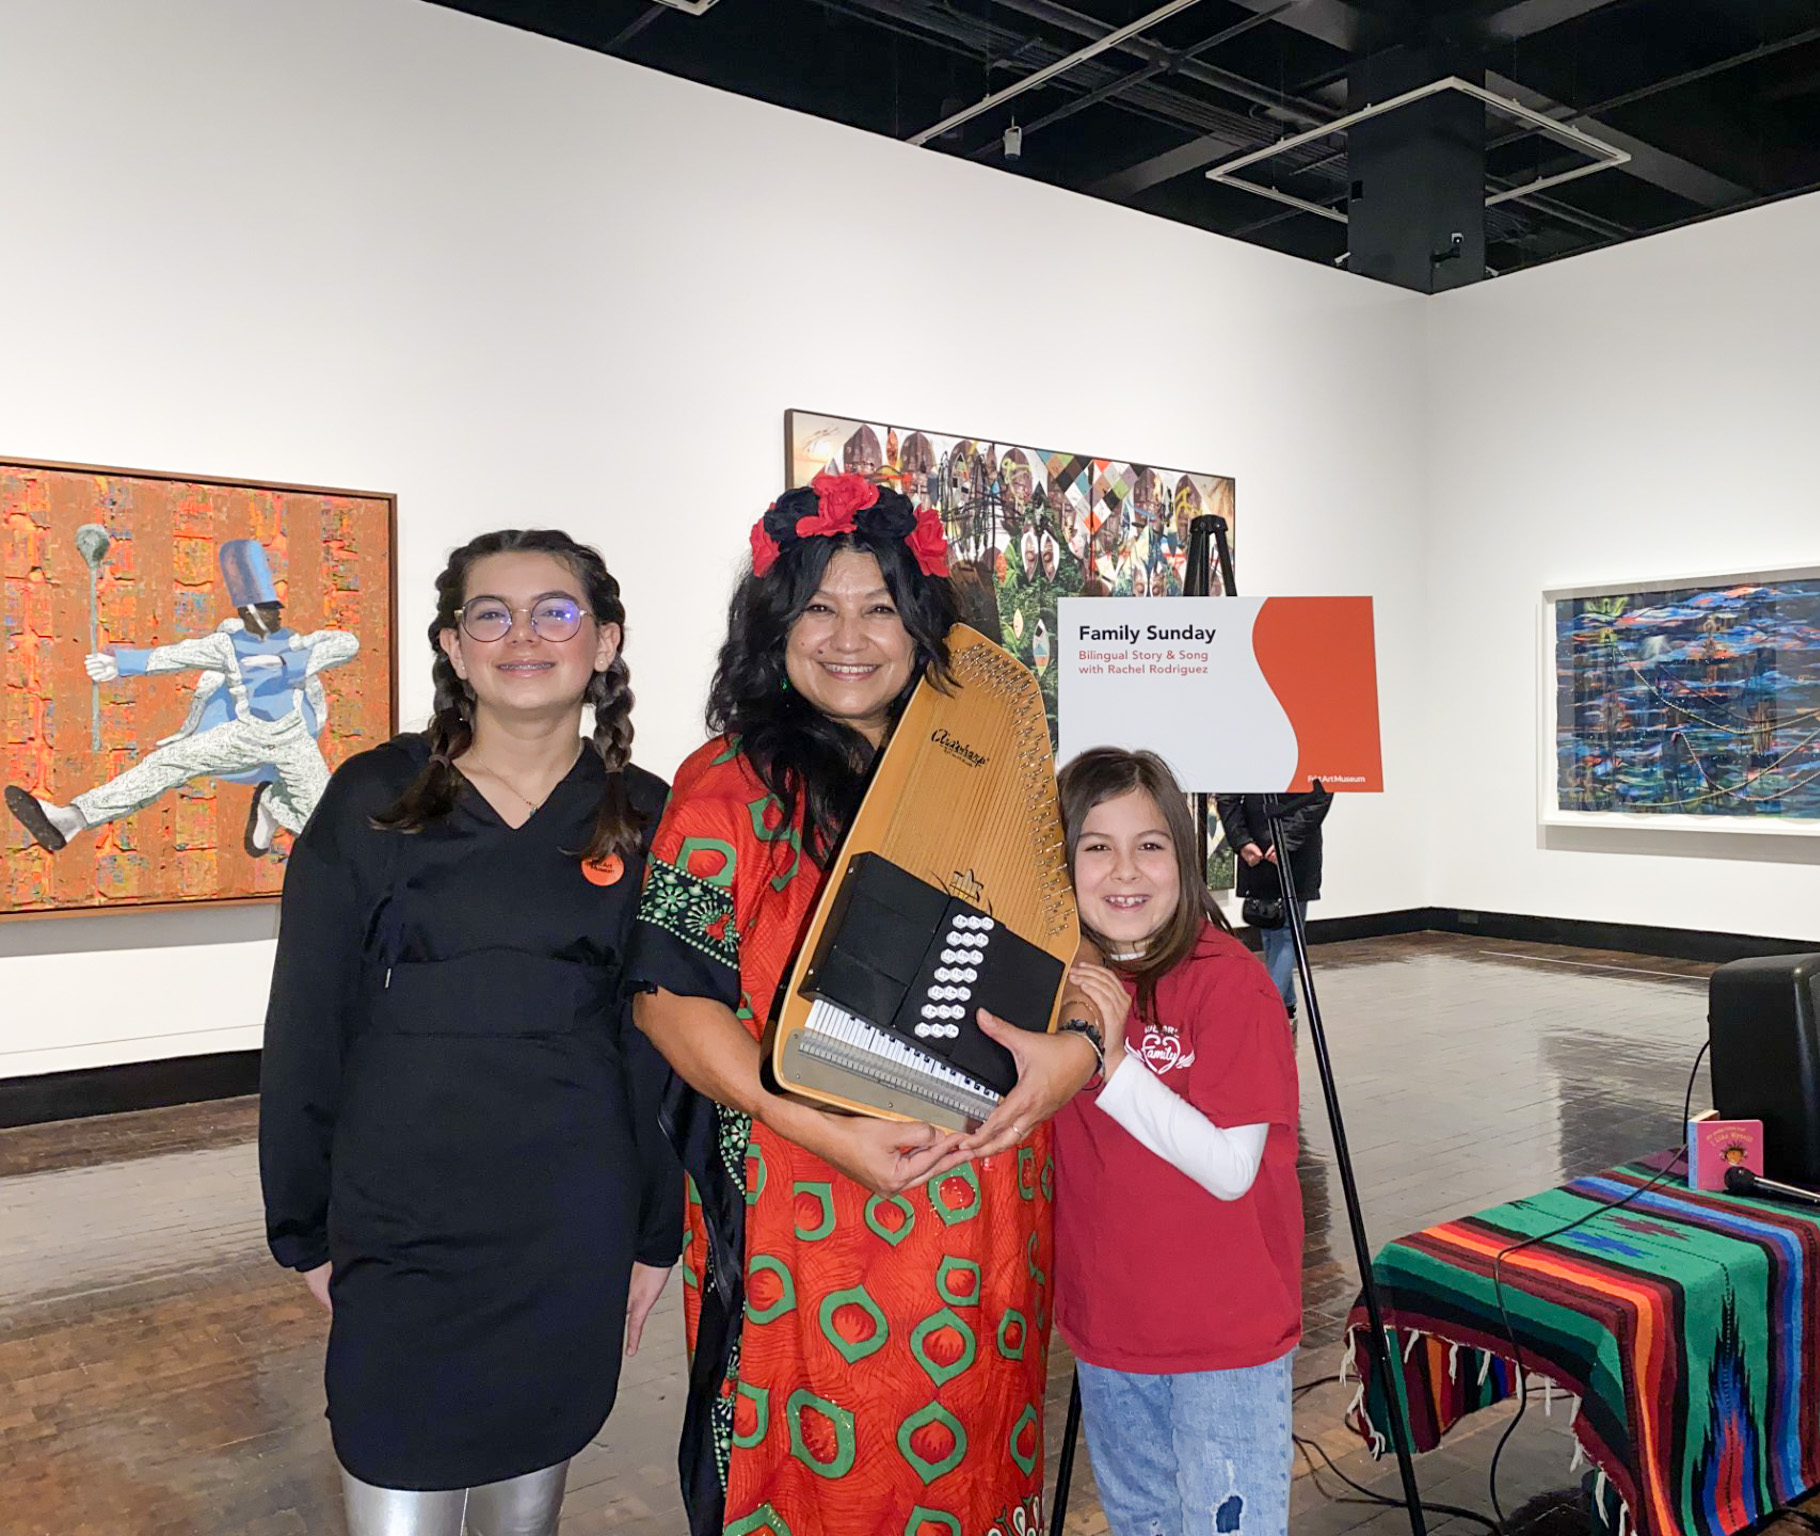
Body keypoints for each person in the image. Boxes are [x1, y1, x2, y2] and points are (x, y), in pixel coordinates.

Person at [628, 471, 1100, 1536]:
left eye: (879, 608)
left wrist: (1077, 1050)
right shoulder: (727, 787)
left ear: (921, 623)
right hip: (807, 1209)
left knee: (976, 1460)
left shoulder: (983, 777)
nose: (850, 637)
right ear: (774, 626)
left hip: (983, 1212)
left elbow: (1076, 957)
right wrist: (819, 1128)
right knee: (811, 1477)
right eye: (818, 609)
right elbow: (667, 999)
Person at [258, 529, 683, 1536]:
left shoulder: (650, 817)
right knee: (391, 1456)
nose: (522, 635)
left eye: (556, 611)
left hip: (570, 1215)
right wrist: (303, 1227)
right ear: (453, 646)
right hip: (403, 1212)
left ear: (606, 641)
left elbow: (662, 1042)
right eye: (490, 613)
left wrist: (655, 1230)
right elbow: (307, 1025)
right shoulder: (374, 799)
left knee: (528, 1488)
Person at [1052, 748, 1303, 1536]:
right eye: (1096, 846)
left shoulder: (1229, 983)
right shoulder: (1057, 979)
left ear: (1186, 860)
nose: (1125, 870)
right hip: (1110, 1329)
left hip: (1224, 1339)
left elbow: (1232, 1169)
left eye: (1150, 845)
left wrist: (1115, 1061)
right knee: (1141, 1524)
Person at [7, 539, 361, 858]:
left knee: (322, 823)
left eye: (275, 607)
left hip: (292, 740)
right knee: (165, 763)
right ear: (247, 612)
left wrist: (286, 662)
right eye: (266, 608)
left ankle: (271, 803)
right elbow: (173, 656)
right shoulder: (225, 645)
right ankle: (70, 818)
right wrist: (118, 664)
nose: (274, 614)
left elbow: (347, 643)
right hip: (244, 736)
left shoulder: (295, 641)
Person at [1217, 784, 1333, 1025]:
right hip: (1261, 853)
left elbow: (1320, 796)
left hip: (1290, 854)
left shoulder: (1307, 757)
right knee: (1273, 931)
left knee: (1285, 935)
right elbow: (1228, 796)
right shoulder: (1251, 755)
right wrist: (1242, 841)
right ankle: (1282, 1007)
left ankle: (1270, 1011)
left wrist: (1283, 841)